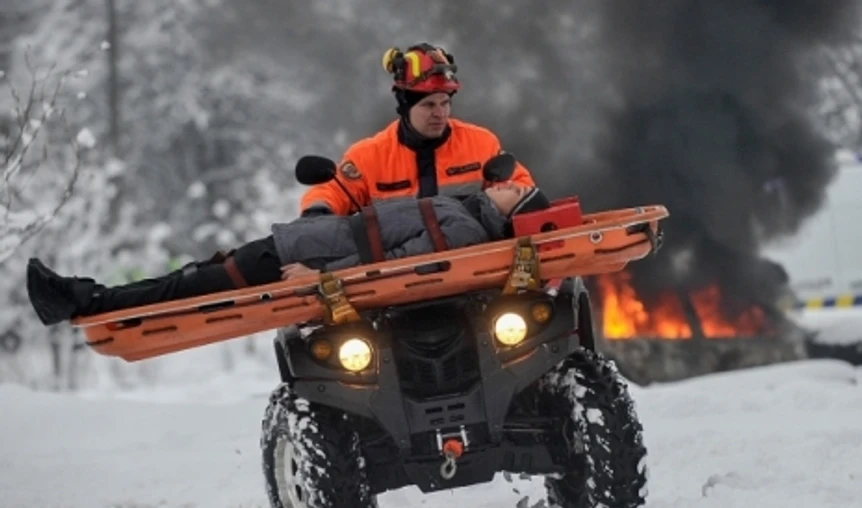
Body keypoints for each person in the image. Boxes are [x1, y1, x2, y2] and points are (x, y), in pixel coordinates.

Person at [27, 184, 551, 326]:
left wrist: (321, 275)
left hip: (299, 261)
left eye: (513, 191)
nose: (506, 185)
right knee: (191, 281)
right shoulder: (462, 211)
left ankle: (81, 300)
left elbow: (397, 265)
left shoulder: (462, 228)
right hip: (299, 247)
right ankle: (82, 296)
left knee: (184, 289)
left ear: (513, 211)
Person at [299, 43, 536, 217]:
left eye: (445, 102)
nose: (440, 113)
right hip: (397, 269)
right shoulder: (368, 157)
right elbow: (331, 191)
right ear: (405, 106)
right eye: (429, 105)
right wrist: (317, 214)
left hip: (472, 261)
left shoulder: (482, 144)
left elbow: (522, 188)